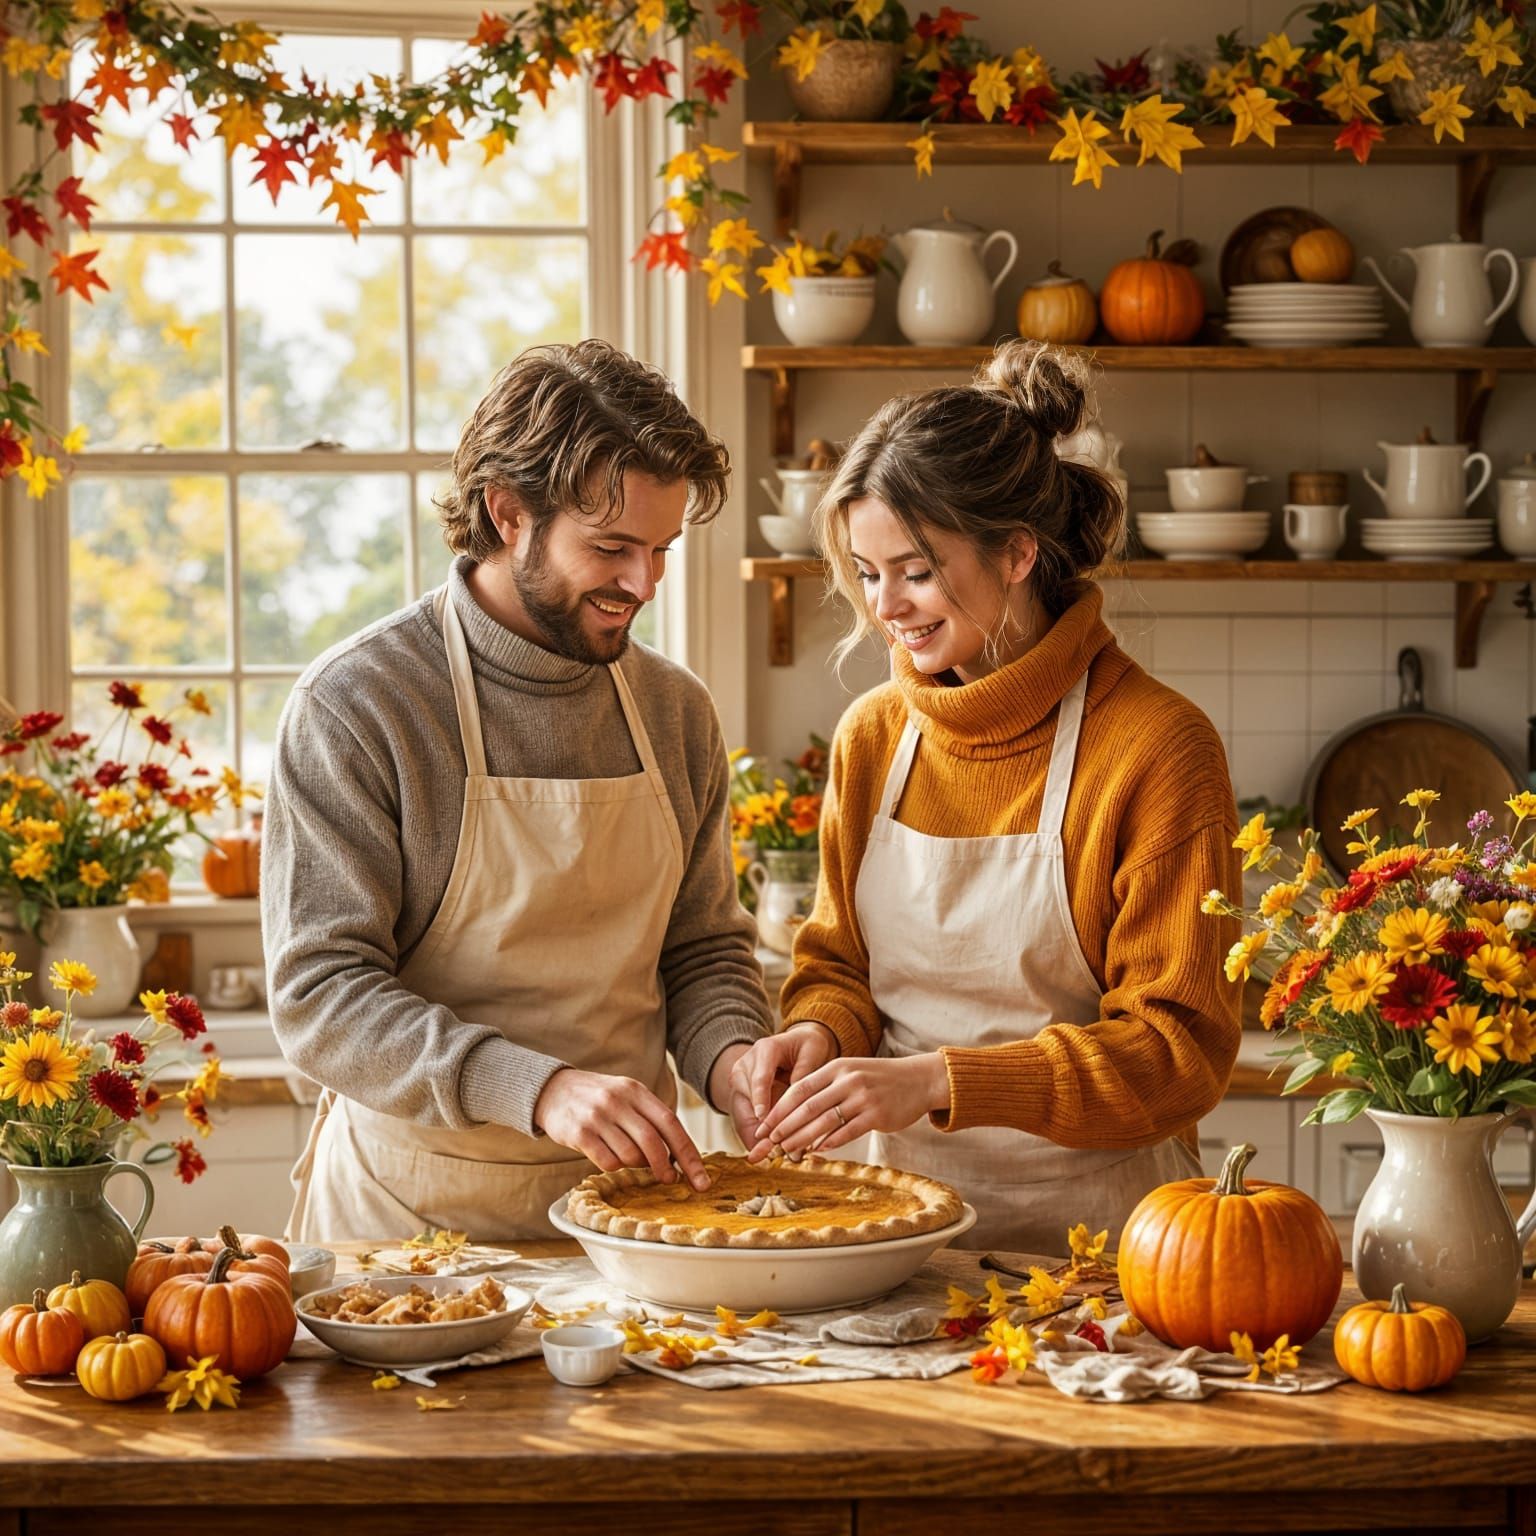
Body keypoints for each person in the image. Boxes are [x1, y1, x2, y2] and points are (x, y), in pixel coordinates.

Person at [264, 339, 820, 1243]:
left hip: (634, 1218)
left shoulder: (674, 710)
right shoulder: (360, 704)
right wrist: (541, 1088)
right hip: (411, 1223)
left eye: (662, 550)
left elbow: (702, 951)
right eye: (612, 548)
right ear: (508, 513)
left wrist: (733, 1062)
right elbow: (321, 996)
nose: (643, 583)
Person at [733, 340, 1243, 1254]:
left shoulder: (1157, 747)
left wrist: (939, 1081)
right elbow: (839, 966)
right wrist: (819, 1032)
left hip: (1107, 1252)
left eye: (916, 571)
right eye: (868, 572)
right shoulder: (873, 736)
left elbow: (1177, 1055)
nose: (885, 606)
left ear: (1017, 553)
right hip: (894, 1235)